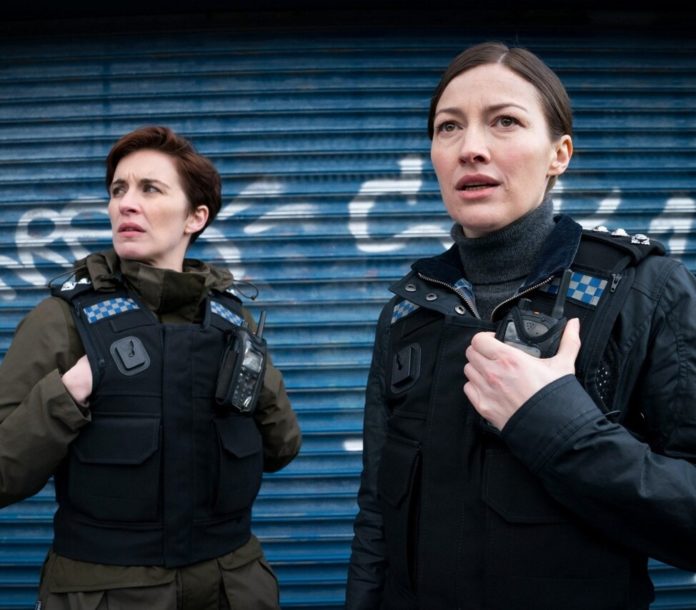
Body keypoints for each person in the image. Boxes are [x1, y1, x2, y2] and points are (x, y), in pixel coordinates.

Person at [346, 41, 696, 610]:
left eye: (504, 121)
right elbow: (376, 516)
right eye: (448, 127)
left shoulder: (644, 290)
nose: (471, 148)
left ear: (559, 154)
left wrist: (557, 425)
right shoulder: (410, 309)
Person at [0, 126, 301, 610]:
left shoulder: (231, 321)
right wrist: (66, 395)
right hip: (105, 592)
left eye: (150, 189)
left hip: (233, 586)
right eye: (118, 190)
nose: (126, 204)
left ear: (195, 217)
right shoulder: (62, 321)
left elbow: (282, 446)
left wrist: (248, 374)